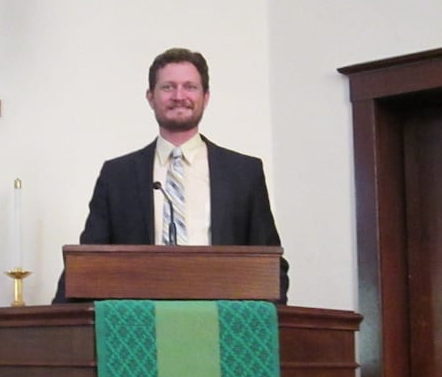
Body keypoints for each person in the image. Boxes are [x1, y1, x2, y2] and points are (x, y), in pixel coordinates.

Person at [52, 47, 289, 303]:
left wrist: (264, 318)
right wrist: (56, 319)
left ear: (206, 97)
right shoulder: (117, 176)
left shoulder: (244, 173)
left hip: (221, 318)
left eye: (190, 87)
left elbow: (270, 266)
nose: (179, 96)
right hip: (140, 319)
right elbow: (88, 264)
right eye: (168, 87)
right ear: (150, 97)